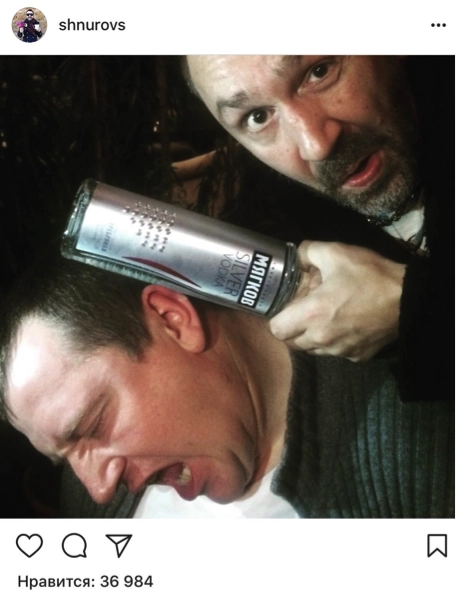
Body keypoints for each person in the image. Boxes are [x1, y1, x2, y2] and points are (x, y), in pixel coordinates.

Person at [0, 250, 453, 518]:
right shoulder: (94, 503)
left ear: (173, 320)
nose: (99, 489)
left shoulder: (419, 449)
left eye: (93, 425)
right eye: (65, 459)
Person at [184, 56, 455, 403]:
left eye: (319, 72)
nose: (316, 145)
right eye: (258, 117)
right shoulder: (282, 234)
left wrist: (409, 307)